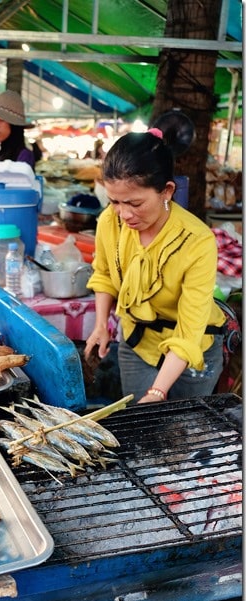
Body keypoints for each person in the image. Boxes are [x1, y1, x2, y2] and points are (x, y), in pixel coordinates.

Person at [83, 127, 226, 404]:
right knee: (141, 423)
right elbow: (103, 275)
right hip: (137, 340)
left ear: (167, 191)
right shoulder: (108, 222)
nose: (124, 214)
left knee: (182, 429)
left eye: (135, 203)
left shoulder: (197, 241)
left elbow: (188, 334)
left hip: (195, 345)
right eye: (114, 201)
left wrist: (157, 392)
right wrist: (101, 325)